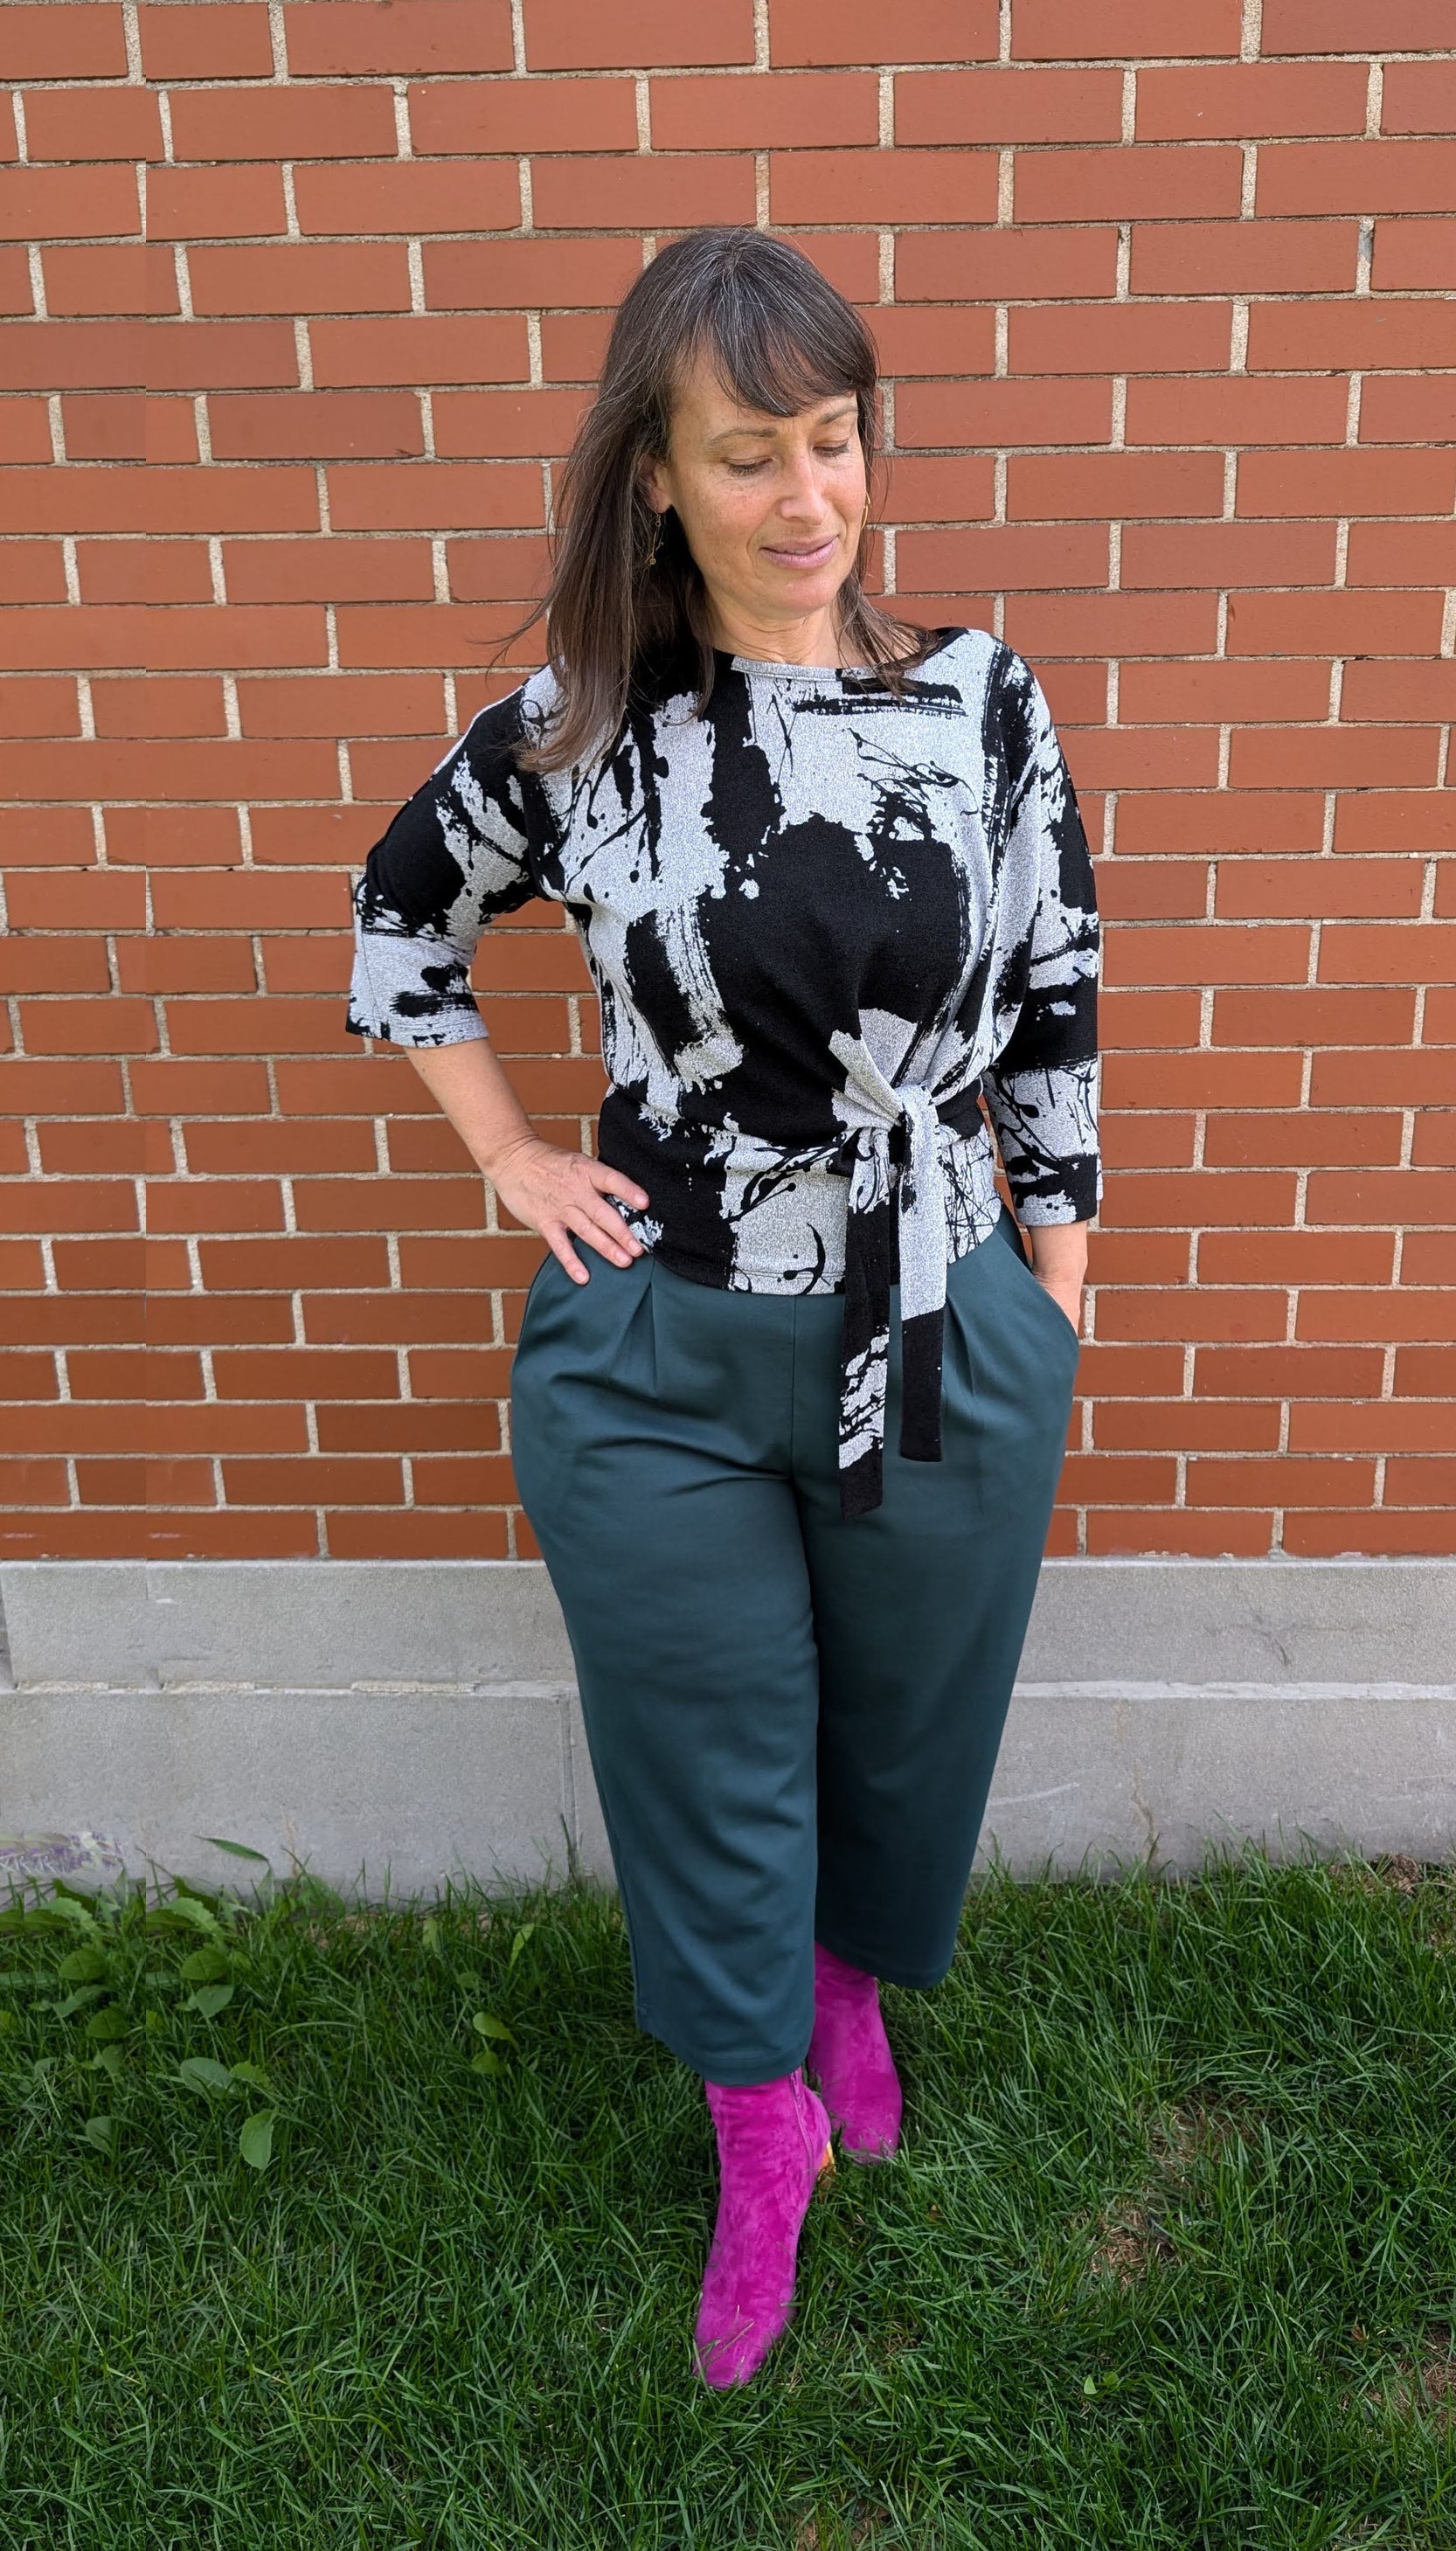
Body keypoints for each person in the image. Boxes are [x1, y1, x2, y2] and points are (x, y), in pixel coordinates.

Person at [344, 226, 1100, 2388]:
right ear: (655, 476)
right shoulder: (583, 730)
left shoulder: (981, 697)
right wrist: (504, 1151)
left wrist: (1052, 1248)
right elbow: (407, 920)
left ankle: (847, 1977)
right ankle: (755, 2109)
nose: (805, 497)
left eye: (834, 440)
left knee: (907, 1714)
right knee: (707, 1745)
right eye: (748, 451)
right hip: (658, 1339)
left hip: (939, 1318)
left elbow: (1053, 975)